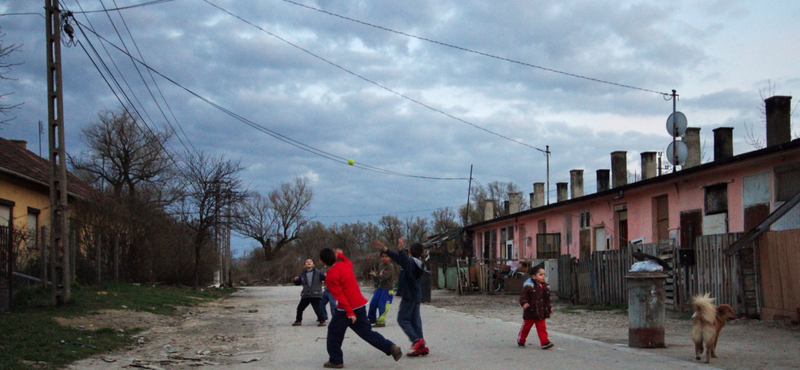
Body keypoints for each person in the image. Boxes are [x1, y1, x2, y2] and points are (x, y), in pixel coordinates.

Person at [319, 247, 402, 368]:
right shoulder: (344, 266)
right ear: (335, 256)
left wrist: (349, 312)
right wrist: (341, 255)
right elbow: (349, 263)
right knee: (366, 332)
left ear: (322, 262)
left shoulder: (330, 276)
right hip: (359, 305)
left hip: (346, 309)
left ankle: (336, 360)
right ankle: (390, 346)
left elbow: (340, 296)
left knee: (334, 332)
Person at [374, 238, 429, 356]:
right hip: (415, 294)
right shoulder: (417, 263)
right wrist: (387, 249)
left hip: (409, 295)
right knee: (415, 321)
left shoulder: (410, 262)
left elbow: (402, 259)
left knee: (402, 319)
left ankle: (416, 340)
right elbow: (399, 259)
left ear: (409, 250)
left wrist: (398, 250)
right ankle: (421, 346)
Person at [517, 265, 554, 349]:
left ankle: (545, 342)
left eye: (544, 274)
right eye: (540, 275)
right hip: (530, 311)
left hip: (541, 312)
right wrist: (524, 303)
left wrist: (548, 308)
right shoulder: (528, 287)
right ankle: (521, 340)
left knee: (542, 328)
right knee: (526, 327)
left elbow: (546, 300)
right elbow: (523, 296)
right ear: (534, 276)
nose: (543, 276)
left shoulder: (545, 287)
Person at [292, 258, 326, 327]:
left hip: (315, 293)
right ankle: (298, 321)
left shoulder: (318, 273)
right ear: (304, 265)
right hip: (306, 294)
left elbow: (324, 279)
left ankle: (322, 321)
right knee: (300, 308)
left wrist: (326, 276)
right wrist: (295, 280)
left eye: (310, 262)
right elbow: (298, 283)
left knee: (317, 308)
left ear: (313, 264)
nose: (309, 263)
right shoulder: (302, 274)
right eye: (307, 262)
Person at [368, 251, 395, 327]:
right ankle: (371, 318)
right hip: (380, 287)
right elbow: (378, 278)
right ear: (380, 258)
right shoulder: (380, 266)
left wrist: (375, 275)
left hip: (387, 288)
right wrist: (376, 286)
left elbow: (385, 277)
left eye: (386, 256)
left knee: (382, 304)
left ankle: (381, 321)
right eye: (382, 256)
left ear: (389, 258)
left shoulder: (390, 266)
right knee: (373, 302)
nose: (384, 258)